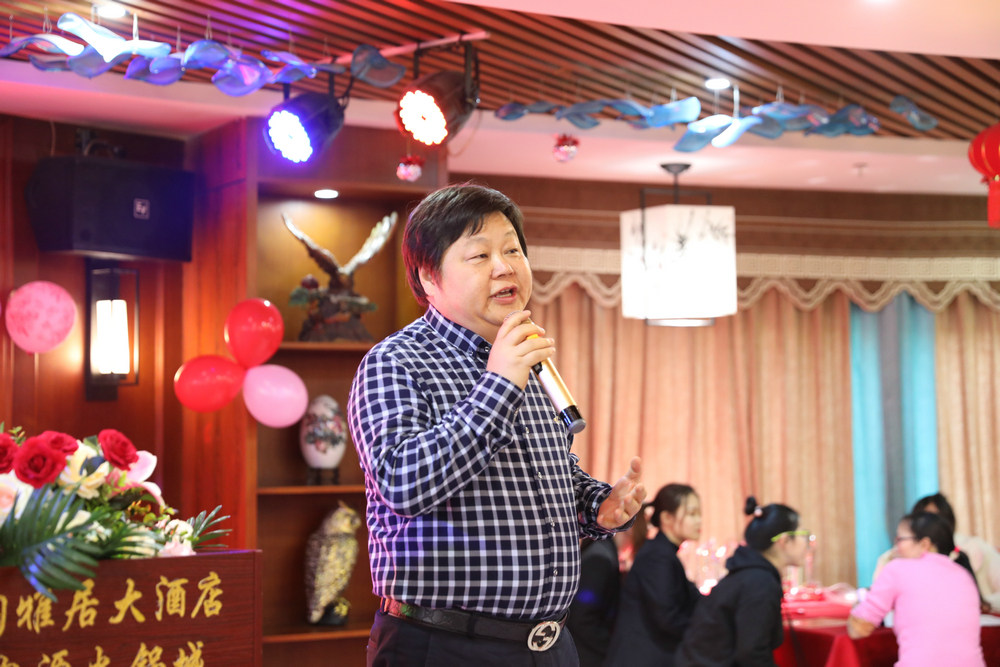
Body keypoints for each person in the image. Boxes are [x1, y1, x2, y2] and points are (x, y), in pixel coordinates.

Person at [347, 183, 646, 667]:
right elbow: (402, 482)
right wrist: (500, 384)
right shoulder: (395, 362)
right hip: (444, 645)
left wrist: (600, 505)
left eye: (512, 250)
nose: (505, 267)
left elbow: (548, 473)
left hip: (549, 645)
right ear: (428, 277)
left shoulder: (524, 357)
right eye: (480, 255)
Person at [676, 497, 809, 667]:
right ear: (784, 541)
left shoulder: (751, 574)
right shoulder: (759, 583)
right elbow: (752, 655)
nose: (807, 543)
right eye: (803, 535)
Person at [849, 512, 985, 667]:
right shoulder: (964, 575)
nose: (896, 547)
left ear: (924, 544)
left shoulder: (897, 569)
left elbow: (859, 628)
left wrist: (858, 606)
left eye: (900, 539)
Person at [604, 483, 704, 667]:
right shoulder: (658, 556)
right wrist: (710, 631)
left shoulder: (663, 553)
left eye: (699, 514)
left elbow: (695, 600)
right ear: (666, 518)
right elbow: (668, 618)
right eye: (692, 514)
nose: (699, 521)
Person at [874, 492, 1000, 611]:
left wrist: (981, 604)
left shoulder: (974, 548)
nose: (931, 525)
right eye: (924, 520)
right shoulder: (893, 558)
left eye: (936, 519)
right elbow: (877, 602)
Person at [567, 537, 621, 667]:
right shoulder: (600, 558)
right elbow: (581, 616)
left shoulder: (600, 551)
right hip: (586, 654)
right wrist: (608, 646)